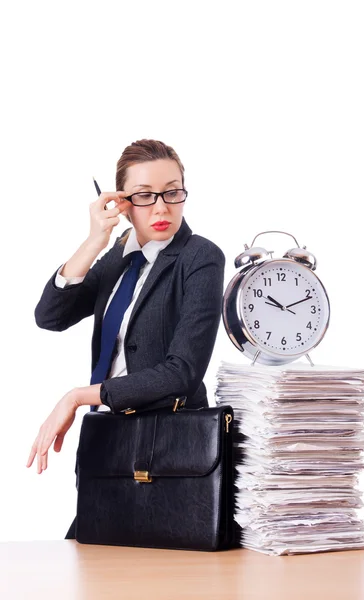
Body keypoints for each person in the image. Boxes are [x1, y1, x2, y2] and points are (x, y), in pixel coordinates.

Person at [26, 138, 226, 539]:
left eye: (172, 191)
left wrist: (79, 396)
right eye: (144, 195)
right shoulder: (118, 259)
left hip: (173, 450)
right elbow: (50, 316)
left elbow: (182, 372)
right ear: (120, 202)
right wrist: (95, 240)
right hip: (108, 444)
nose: (162, 207)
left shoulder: (200, 258)